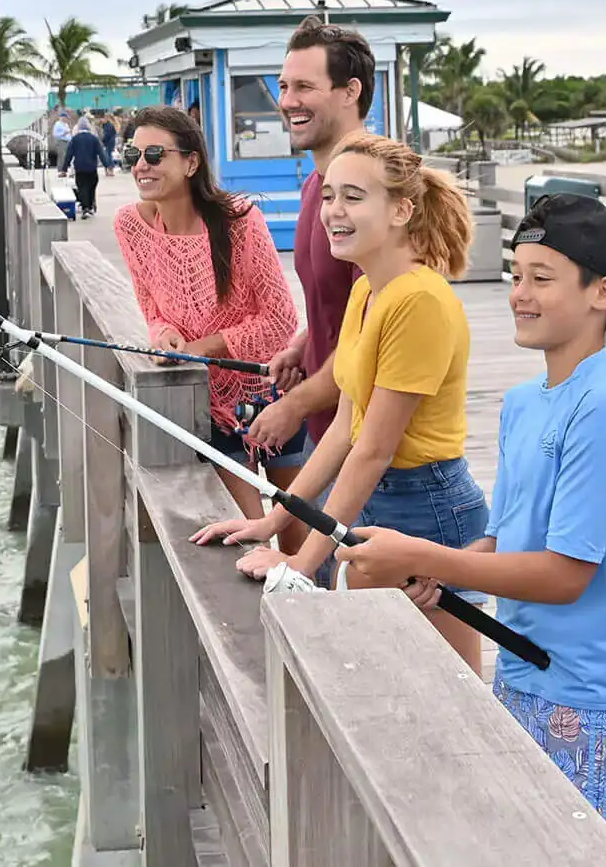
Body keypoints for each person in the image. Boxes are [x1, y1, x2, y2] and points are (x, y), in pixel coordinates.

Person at [335, 194, 606, 844]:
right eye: (516, 275)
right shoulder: (523, 402)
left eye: (542, 279)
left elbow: (568, 573)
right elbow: (505, 539)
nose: (520, 294)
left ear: (604, 292)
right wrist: (442, 581)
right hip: (520, 675)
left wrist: (424, 557)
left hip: (587, 692)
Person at [192, 133, 489, 668]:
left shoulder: (418, 299)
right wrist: (273, 521)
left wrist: (303, 566)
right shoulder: (368, 289)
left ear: (402, 209)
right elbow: (342, 428)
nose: (333, 211)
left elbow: (373, 448)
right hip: (374, 498)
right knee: (385, 680)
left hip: (428, 507)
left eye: (354, 196)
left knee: (454, 691)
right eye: (328, 196)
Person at [113, 106, 300, 520]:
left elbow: (281, 319)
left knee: (300, 540)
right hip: (207, 404)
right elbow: (152, 310)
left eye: (155, 155)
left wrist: (205, 345)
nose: (141, 166)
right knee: (251, 536)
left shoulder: (240, 220)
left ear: (191, 161)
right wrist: (163, 336)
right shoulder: (129, 225)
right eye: (133, 155)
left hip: (275, 393)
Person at [239, 18, 375, 537]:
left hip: (373, 452)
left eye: (304, 87)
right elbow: (344, 303)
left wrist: (293, 404)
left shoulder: (369, 191)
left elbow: (378, 336)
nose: (287, 100)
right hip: (330, 430)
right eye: (283, 86)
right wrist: (304, 342)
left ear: (350, 92)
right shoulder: (319, 183)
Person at [60, 115, 111, 218]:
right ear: (88, 127)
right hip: (92, 168)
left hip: (79, 168)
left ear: (79, 127)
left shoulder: (74, 139)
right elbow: (101, 153)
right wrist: (107, 166)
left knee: (82, 187)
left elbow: (68, 155)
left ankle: (85, 208)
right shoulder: (94, 139)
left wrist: (64, 169)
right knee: (91, 187)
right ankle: (90, 206)